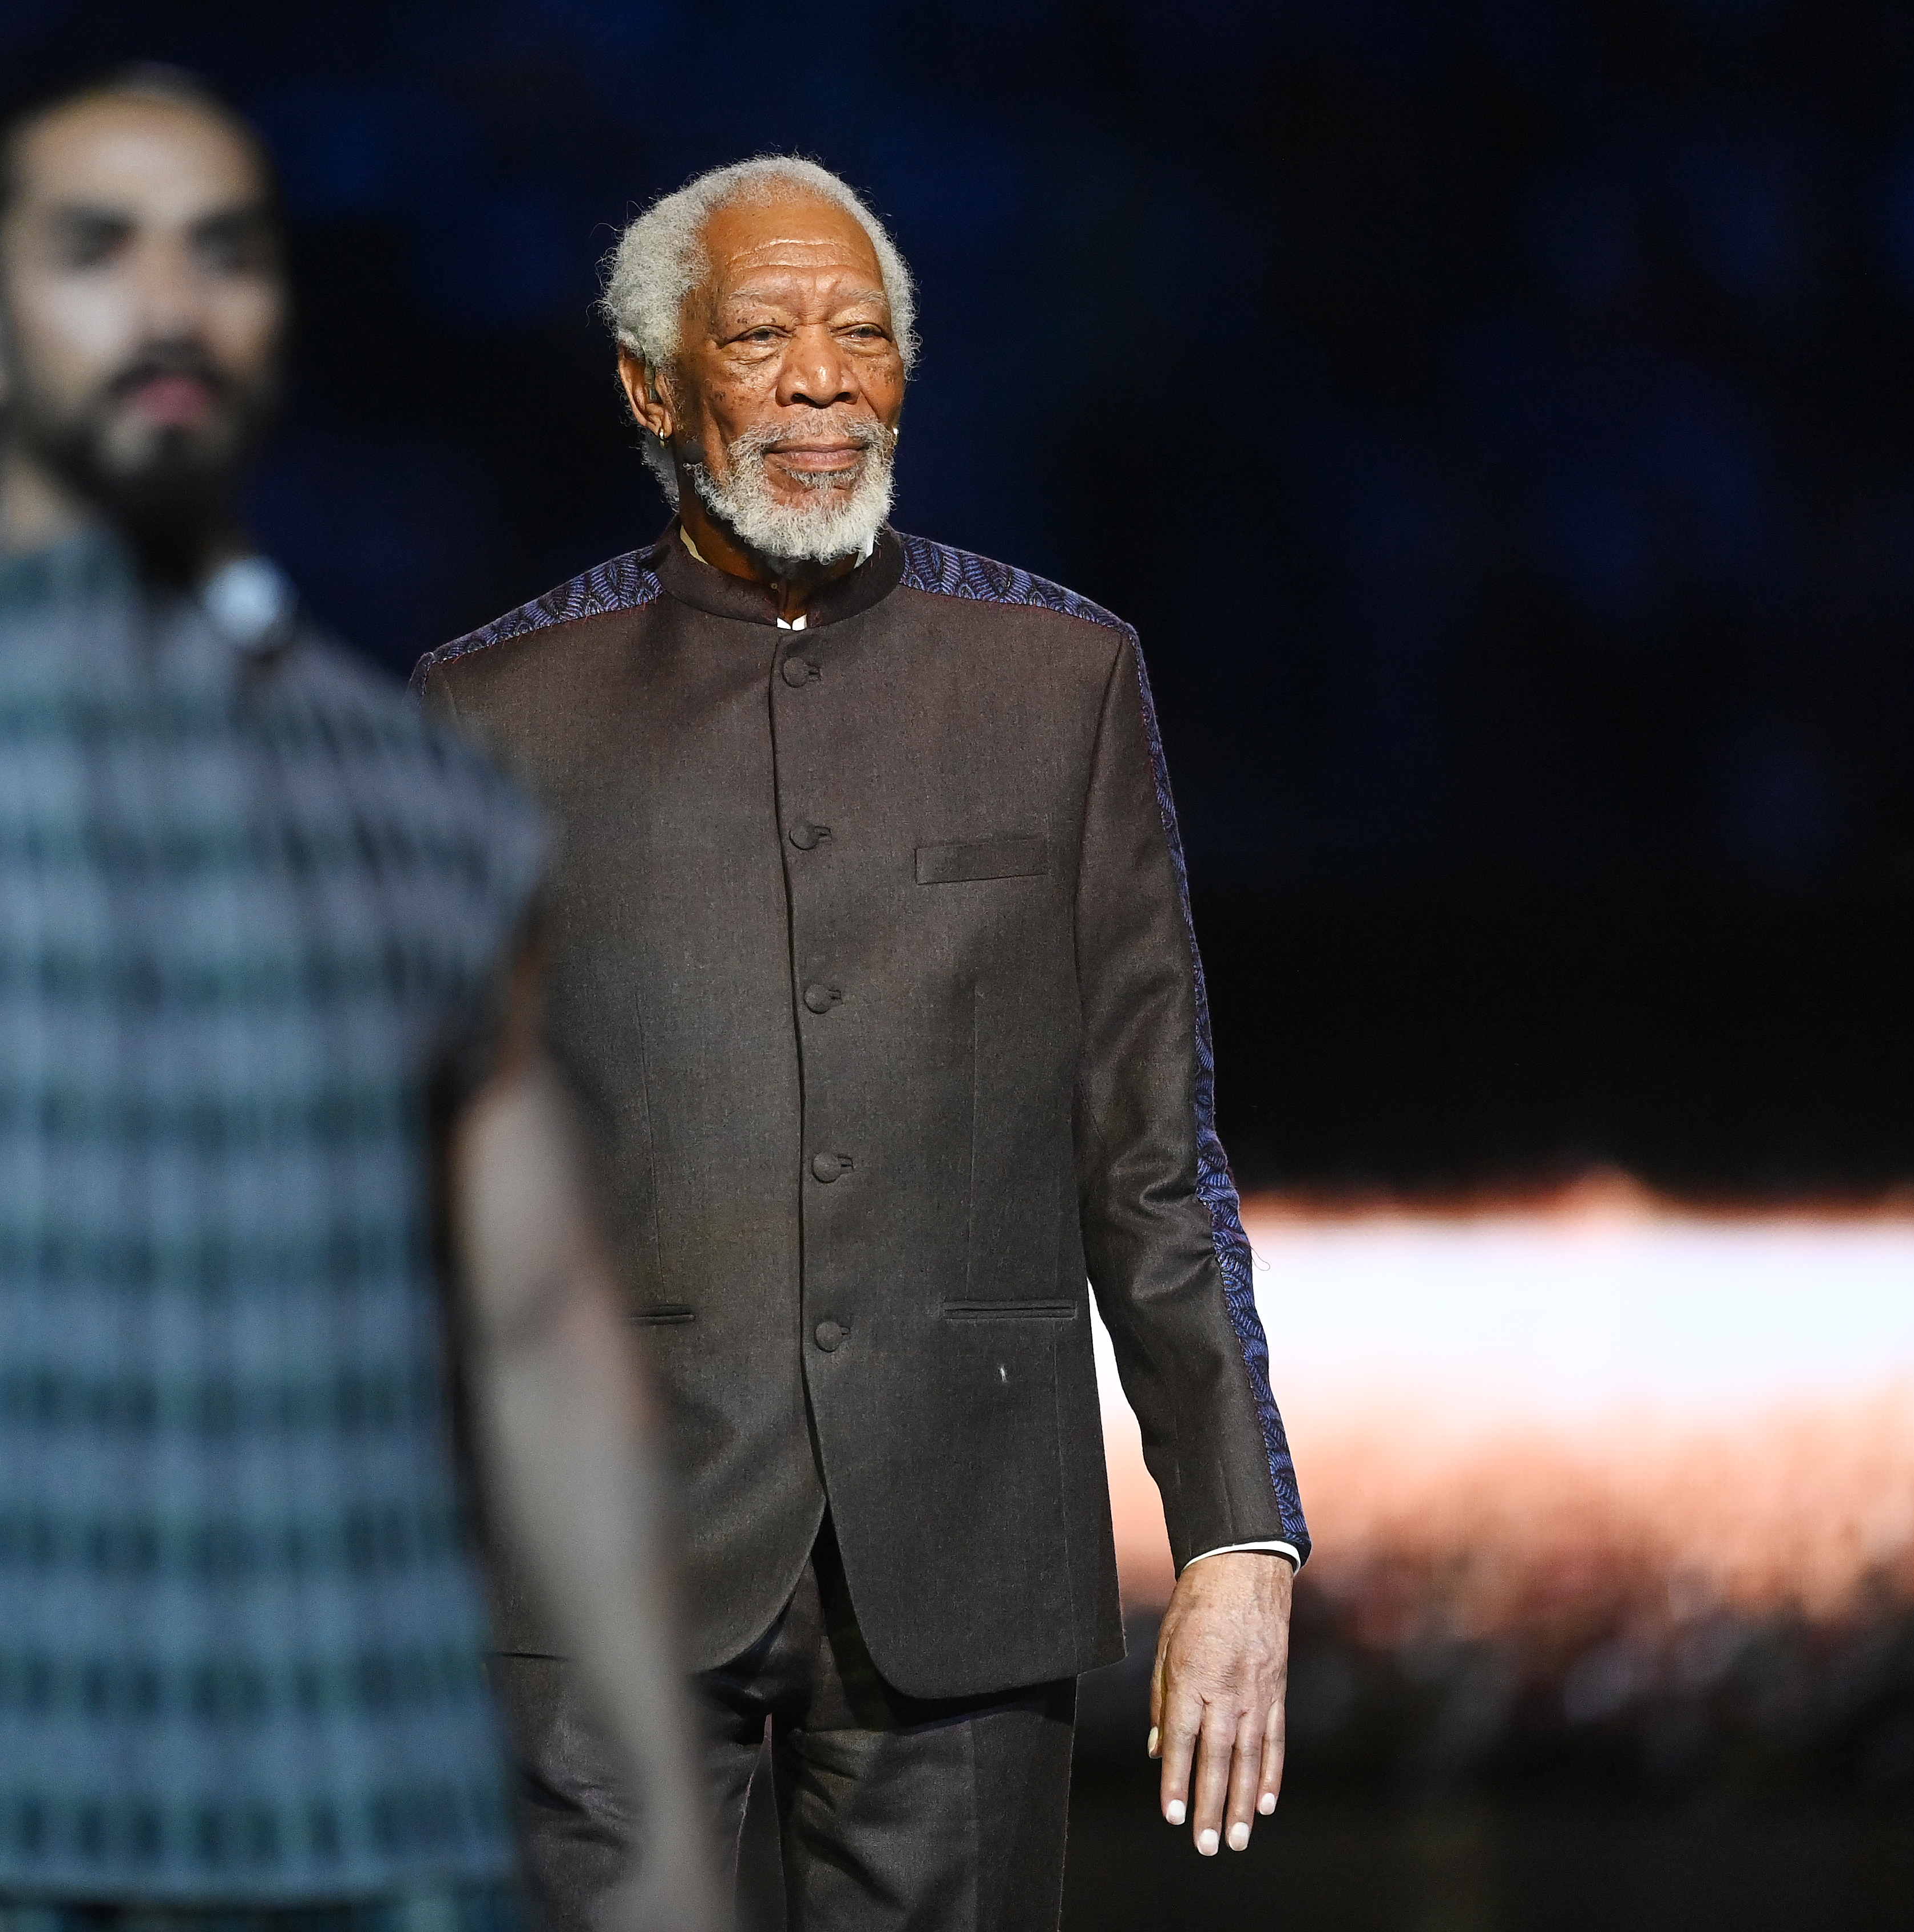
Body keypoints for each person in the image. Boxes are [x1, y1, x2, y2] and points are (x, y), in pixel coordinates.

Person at [0, 68, 720, 1932]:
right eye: (94, 251)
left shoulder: (428, 820)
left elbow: (537, 1334)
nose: (170, 306)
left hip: (369, 1834)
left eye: (225, 254)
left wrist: (664, 1822)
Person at [414, 156, 1310, 1930]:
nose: (823, 378)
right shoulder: (490, 718)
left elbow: (1148, 1147)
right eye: (761, 336)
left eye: (863, 333)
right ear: (650, 387)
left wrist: (1234, 1532)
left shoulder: (1057, 682)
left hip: (963, 1543)